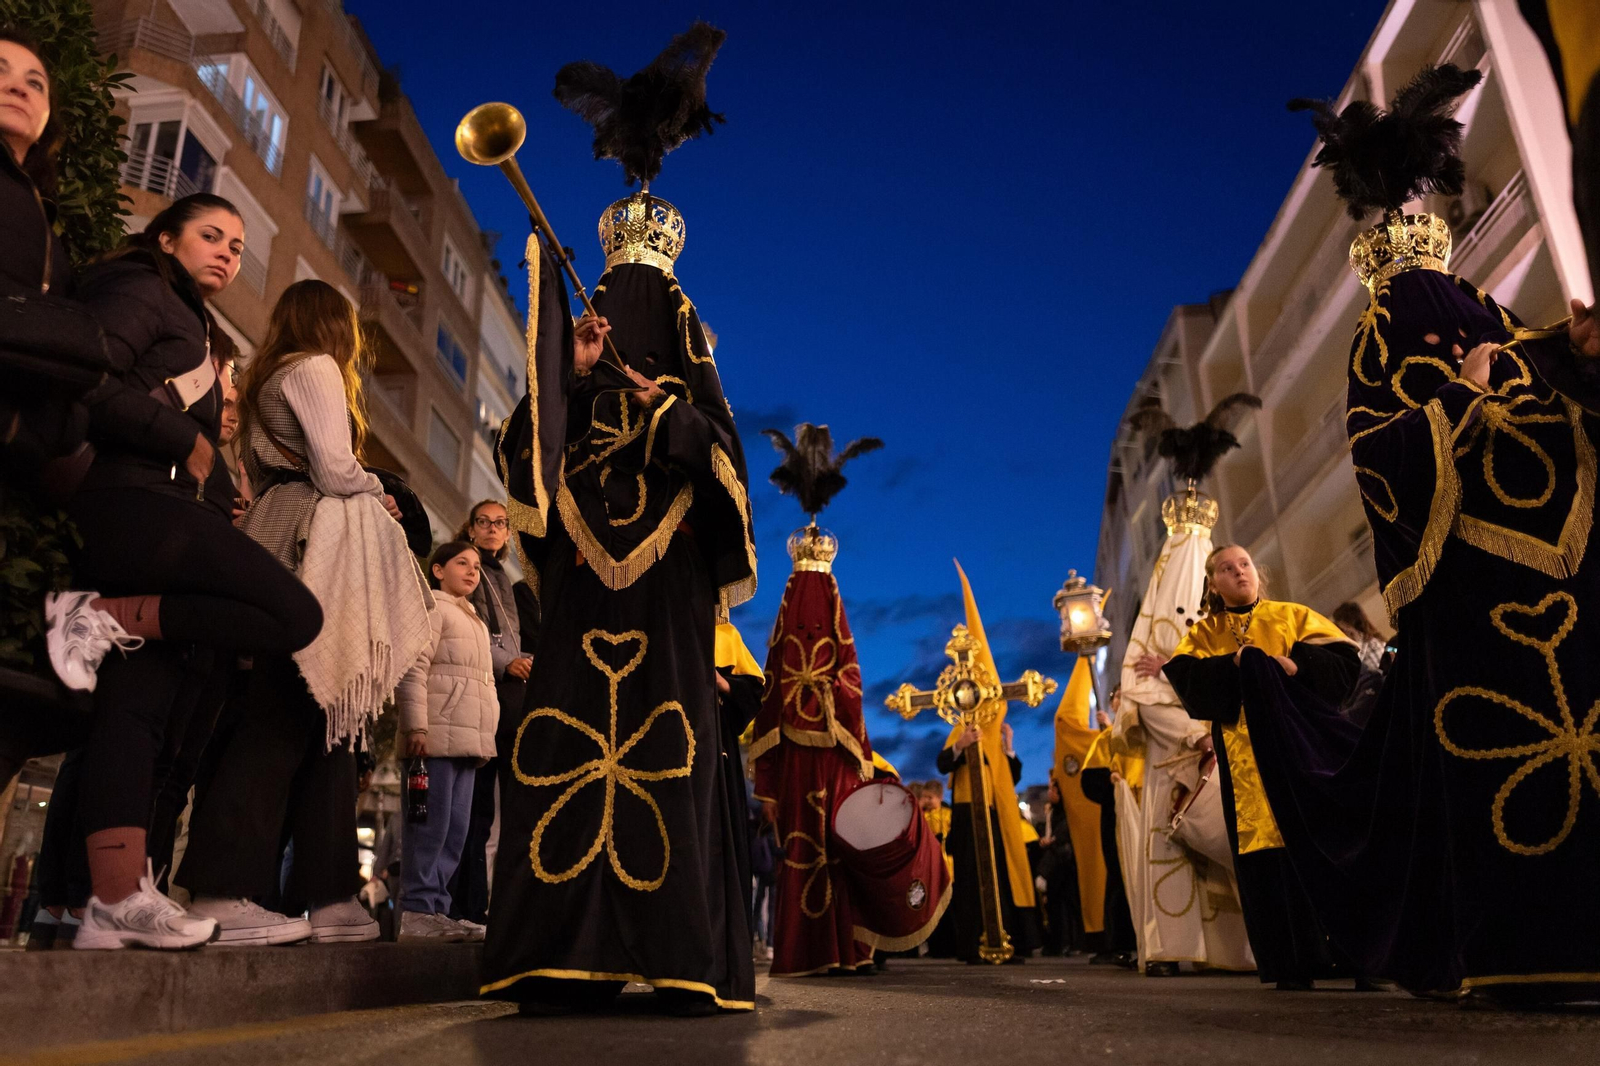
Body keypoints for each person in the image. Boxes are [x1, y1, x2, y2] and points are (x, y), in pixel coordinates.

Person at [1238, 65, 1600, 1002]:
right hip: (1472, 576)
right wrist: (1460, 392)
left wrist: (1569, 348)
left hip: (1562, 552)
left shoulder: (1486, 310)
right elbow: (1377, 455)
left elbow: (1543, 368)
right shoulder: (1376, 339)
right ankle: (1518, 947)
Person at [485, 24, 758, 1010]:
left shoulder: (682, 360)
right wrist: (584, 375)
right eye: (614, 306)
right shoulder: (579, 368)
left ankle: (672, 952)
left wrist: (666, 413)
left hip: (669, 582)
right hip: (581, 585)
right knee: (559, 747)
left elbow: (723, 461)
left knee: (667, 752)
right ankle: (561, 950)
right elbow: (527, 456)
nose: (629, 311)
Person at [39, 195, 324, 951]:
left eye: (237, 243)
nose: (229, 254)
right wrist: (180, 438)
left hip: (157, 507)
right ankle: (102, 619)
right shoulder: (140, 286)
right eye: (210, 236)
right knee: (295, 614)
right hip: (129, 503)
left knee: (136, 712)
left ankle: (112, 898)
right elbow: (84, 371)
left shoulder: (195, 322)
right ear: (165, 238)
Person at [178, 280, 431, 947]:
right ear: (334, 325)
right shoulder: (314, 369)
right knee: (282, 716)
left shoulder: (270, 376)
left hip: (275, 537)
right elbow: (336, 467)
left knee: (327, 737)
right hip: (307, 552)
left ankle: (330, 896)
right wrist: (382, 494)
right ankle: (222, 890)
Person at [1160, 545, 1361, 990]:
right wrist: (1236, 665)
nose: (1238, 572)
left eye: (1244, 564)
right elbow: (1188, 681)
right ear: (1215, 584)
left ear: (1257, 571)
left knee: (1317, 839)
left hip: (1301, 754)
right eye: (1226, 569)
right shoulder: (1205, 633)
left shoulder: (1292, 615)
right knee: (1265, 856)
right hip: (1243, 763)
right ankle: (1291, 963)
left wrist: (1297, 664)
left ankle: (1348, 954)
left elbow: (1346, 664)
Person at [396, 541, 498, 943]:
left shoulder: (472, 616)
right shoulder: (432, 607)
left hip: (467, 744)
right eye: (462, 563)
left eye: (476, 565)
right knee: (429, 828)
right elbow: (413, 667)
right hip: (434, 741)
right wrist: (416, 727)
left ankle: (436, 909)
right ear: (438, 570)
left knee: (455, 832)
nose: (472, 571)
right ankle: (417, 909)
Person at [450, 499, 531, 925]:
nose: (492, 529)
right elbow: (477, 628)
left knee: (493, 811)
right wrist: (507, 664)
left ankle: (483, 906)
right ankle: (463, 904)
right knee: (473, 809)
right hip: (481, 695)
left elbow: (511, 636)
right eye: (484, 522)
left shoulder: (503, 574)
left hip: (505, 696)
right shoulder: (469, 568)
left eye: (500, 523)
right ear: (471, 525)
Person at [1330, 603, 1386, 673]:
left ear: (1347, 625)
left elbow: (1382, 674)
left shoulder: (1372, 645)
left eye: (1341, 627)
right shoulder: (1352, 648)